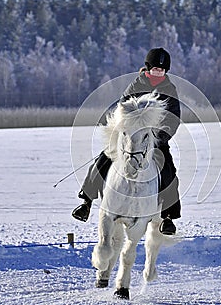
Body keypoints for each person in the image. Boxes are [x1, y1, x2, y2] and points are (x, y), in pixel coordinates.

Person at [72, 47, 181, 235]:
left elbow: (173, 118)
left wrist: (158, 137)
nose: (158, 73)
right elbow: (122, 110)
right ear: (148, 68)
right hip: (130, 138)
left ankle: (169, 216)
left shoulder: (169, 90)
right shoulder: (136, 85)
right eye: (155, 69)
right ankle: (86, 201)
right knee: (103, 160)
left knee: (169, 169)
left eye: (161, 70)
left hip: (155, 141)